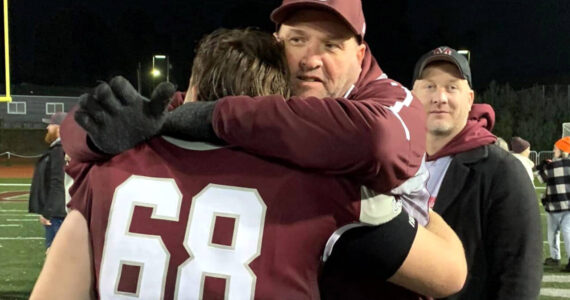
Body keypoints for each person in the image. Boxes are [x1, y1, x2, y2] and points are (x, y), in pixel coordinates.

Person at [31, 28, 466, 300]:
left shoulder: (105, 173)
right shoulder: (323, 187)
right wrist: (408, 193)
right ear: (280, 102)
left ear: (193, 85)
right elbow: (449, 275)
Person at [62, 0, 427, 199]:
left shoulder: (388, 99)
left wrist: (215, 118)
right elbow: (86, 122)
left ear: (360, 55)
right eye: (298, 40)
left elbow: (379, 141)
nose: (311, 60)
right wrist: (96, 134)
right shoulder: (265, 95)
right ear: (276, 40)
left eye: (331, 45)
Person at [409, 46, 542, 299]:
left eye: (451, 87)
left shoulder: (503, 171)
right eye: (429, 87)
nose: (440, 97)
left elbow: (520, 275)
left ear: (470, 99)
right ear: (413, 95)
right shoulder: (396, 165)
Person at [28, 112, 68, 253]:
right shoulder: (61, 149)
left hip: (57, 213)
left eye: (50, 124)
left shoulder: (60, 150)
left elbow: (58, 182)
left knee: (55, 255)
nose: (47, 128)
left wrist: (48, 211)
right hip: (58, 211)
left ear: (59, 128)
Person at [536, 137, 570, 270]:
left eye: (555, 148)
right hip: (568, 205)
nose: (553, 150)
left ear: (561, 150)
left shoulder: (551, 166)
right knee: (568, 233)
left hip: (553, 205)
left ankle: (555, 257)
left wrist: (542, 165)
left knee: (552, 233)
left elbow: (539, 177)